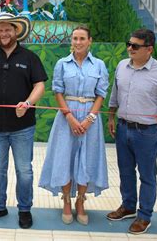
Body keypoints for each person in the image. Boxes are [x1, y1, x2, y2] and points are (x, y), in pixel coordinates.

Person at [0, 12, 48, 229]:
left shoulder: (30, 58)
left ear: (16, 31)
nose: (4, 33)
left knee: (24, 170)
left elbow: (39, 85)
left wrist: (28, 103)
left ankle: (24, 209)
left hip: (23, 127)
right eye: (0, 30)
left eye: (8, 29)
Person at [106, 29, 157, 235]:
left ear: (149, 49)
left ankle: (144, 216)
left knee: (147, 176)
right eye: (129, 44)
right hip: (123, 128)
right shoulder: (122, 66)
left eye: (135, 46)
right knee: (125, 172)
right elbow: (114, 94)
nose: (130, 48)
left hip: (147, 133)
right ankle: (128, 206)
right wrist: (111, 117)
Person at [39, 26, 109, 226]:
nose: (78, 42)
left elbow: (101, 94)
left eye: (82, 38)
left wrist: (90, 119)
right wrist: (69, 116)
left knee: (87, 158)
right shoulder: (62, 64)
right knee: (65, 158)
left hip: (90, 118)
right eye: (75, 38)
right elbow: (57, 91)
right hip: (66, 117)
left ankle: (81, 202)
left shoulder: (99, 65)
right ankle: (66, 201)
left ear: (89, 41)